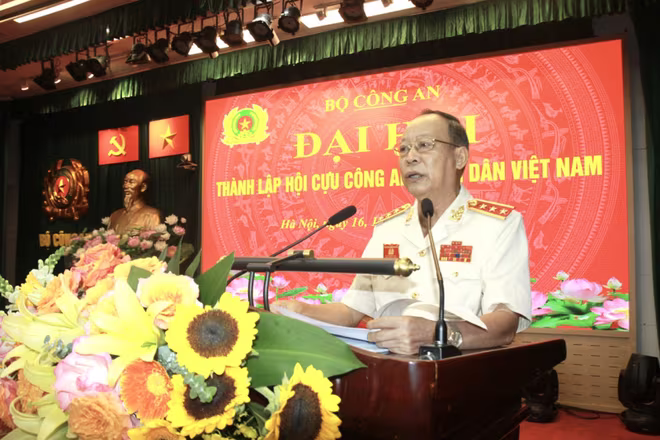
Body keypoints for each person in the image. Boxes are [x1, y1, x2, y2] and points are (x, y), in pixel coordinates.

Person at [273, 110, 532, 355]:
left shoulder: (497, 225)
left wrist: (438, 335)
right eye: (404, 149)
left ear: (460, 157)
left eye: (425, 145)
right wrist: (299, 310)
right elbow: (351, 312)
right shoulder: (387, 229)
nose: (410, 157)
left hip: (459, 370)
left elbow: (505, 321)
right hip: (388, 370)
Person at [109, 169, 161, 234]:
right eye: (125, 182)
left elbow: (154, 238)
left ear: (143, 187)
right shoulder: (115, 215)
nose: (125, 186)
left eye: (131, 182)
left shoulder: (152, 215)